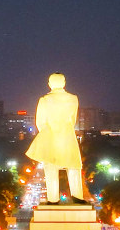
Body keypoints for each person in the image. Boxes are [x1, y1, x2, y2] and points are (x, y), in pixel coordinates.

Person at [25, 73, 85, 204]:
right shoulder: (73, 99)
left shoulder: (44, 100)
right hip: (68, 135)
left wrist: (47, 133)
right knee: (73, 165)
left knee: (51, 167)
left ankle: (53, 199)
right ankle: (78, 196)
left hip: (50, 135)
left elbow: (40, 122)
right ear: (64, 83)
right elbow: (73, 120)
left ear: (49, 84)